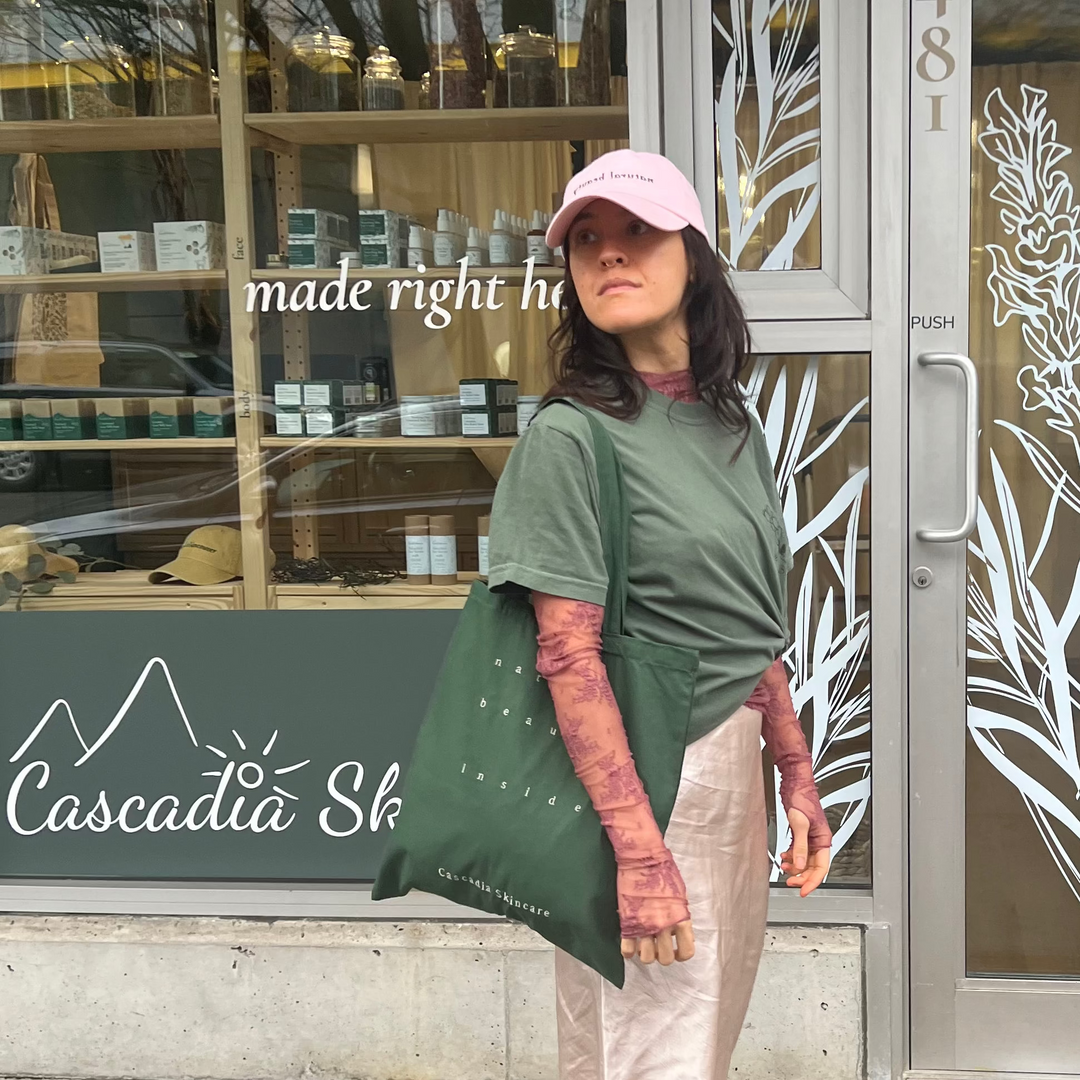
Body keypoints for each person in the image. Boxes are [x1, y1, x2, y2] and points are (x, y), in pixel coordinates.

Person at [485, 148, 833, 1080]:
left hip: (732, 770)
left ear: (695, 260)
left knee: (701, 1035)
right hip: (638, 778)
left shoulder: (731, 425)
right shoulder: (571, 436)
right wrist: (637, 856)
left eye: (637, 231)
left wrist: (795, 773)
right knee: (639, 1053)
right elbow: (567, 655)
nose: (608, 254)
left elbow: (747, 614)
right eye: (586, 239)